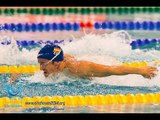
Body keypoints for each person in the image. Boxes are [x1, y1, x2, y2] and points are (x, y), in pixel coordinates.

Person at [10, 44, 157, 83]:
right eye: (39, 63)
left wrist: (140, 70)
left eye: (43, 63)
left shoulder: (79, 68)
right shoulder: (55, 65)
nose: (40, 67)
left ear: (56, 63)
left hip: (102, 71)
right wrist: (20, 77)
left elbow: (112, 70)